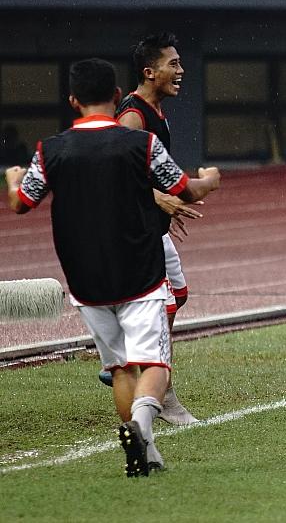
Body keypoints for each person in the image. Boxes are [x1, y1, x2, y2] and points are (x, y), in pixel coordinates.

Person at [6, 58, 220, 476]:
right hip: (138, 271)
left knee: (122, 368)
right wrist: (211, 179)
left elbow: (21, 203)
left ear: (72, 100)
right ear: (117, 96)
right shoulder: (139, 144)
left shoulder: (50, 150)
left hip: (85, 280)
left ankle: (145, 452)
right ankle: (141, 425)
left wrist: (13, 179)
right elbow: (185, 191)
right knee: (155, 364)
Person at [108, 33, 202, 425]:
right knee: (160, 305)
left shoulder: (156, 109)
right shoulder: (133, 114)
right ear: (150, 72)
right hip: (134, 232)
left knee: (177, 297)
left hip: (152, 228)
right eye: (173, 64)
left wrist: (165, 205)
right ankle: (161, 392)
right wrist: (156, 199)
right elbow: (114, 172)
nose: (181, 71)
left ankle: (129, 360)